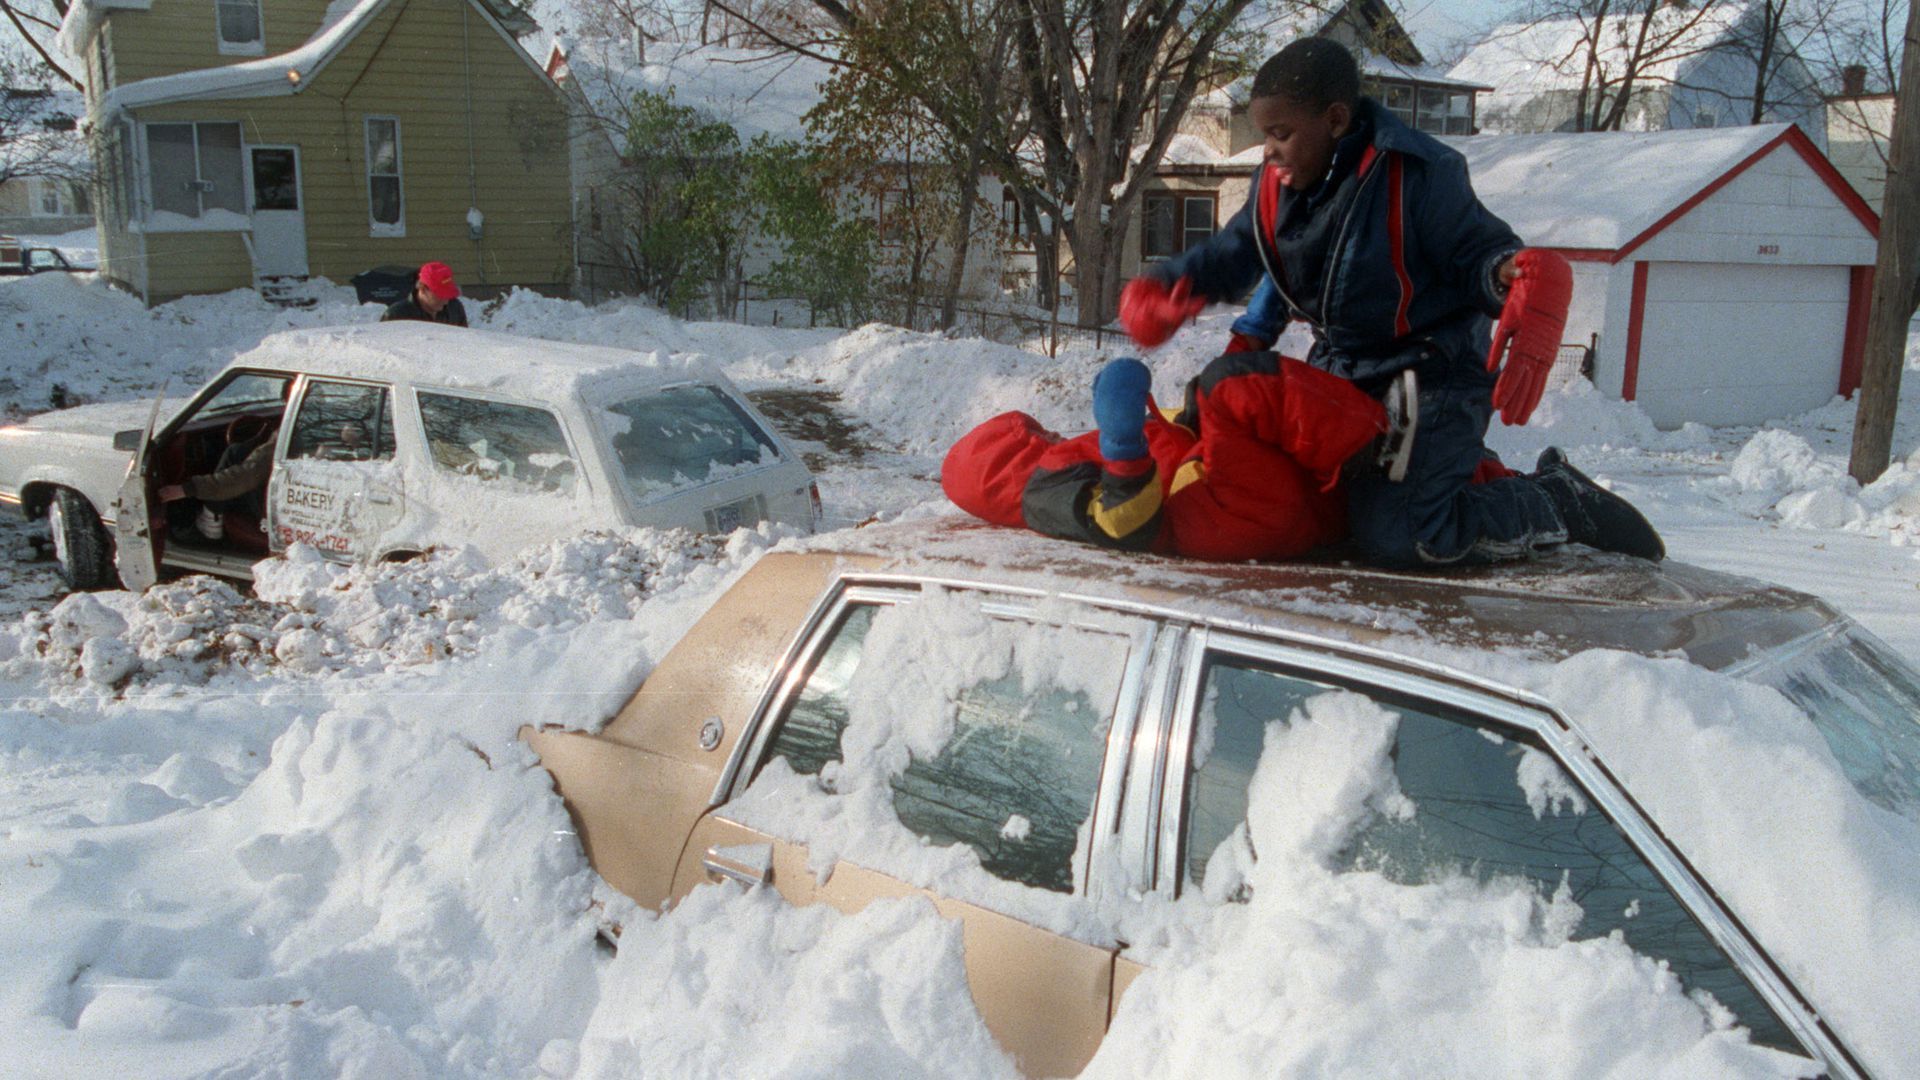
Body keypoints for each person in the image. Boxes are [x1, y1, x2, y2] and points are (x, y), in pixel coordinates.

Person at [1120, 38, 1663, 566]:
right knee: (1317, 510)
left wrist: (1518, 277)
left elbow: (1478, 255)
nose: (1268, 149)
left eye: (1281, 134)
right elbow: (1235, 253)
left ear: (1334, 120)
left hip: (1431, 374)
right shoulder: (1276, 184)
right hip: (1341, 370)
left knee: (1403, 536)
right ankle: (1448, 473)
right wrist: (1172, 285)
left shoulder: (1419, 174)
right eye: (1265, 134)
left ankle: (1552, 500)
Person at [943, 354, 1396, 562]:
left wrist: (1190, 419)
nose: (1052, 431)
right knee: (1229, 387)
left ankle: (1387, 465)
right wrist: (1122, 442)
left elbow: (1167, 443)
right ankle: (1378, 436)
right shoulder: (1042, 490)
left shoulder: (1054, 470)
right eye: (1036, 431)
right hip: (1208, 516)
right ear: (1013, 449)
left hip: (1219, 504)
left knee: (1218, 397)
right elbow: (1124, 523)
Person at [381, 261, 469, 326]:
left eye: (448, 295)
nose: (446, 301)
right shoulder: (396, 316)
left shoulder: (454, 309)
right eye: (440, 295)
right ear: (422, 289)